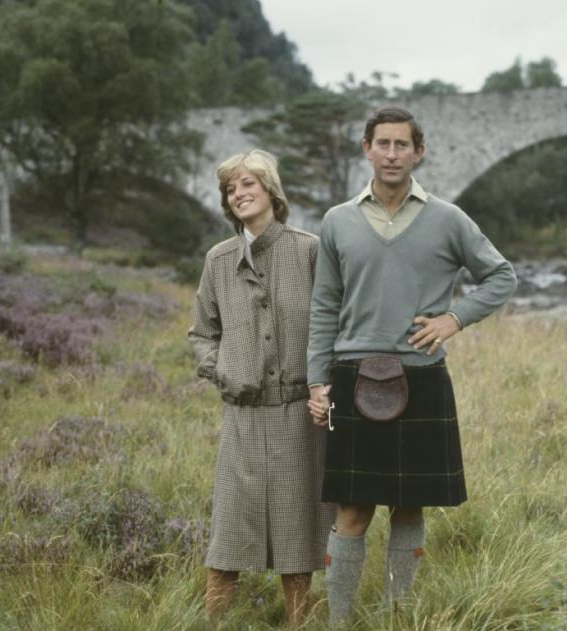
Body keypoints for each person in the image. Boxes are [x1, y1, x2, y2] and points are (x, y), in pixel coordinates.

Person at [307, 107, 518, 625]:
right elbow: (323, 306)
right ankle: (339, 622)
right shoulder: (337, 221)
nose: (393, 153)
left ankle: (398, 616)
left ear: (418, 152)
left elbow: (502, 276)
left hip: (421, 376)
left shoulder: (448, 218)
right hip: (351, 374)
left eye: (403, 145)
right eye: (383, 143)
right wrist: (316, 380)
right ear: (367, 149)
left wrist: (454, 318)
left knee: (409, 505)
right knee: (351, 509)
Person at [188, 150, 334, 626]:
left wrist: (324, 383)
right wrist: (220, 369)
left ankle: (299, 623)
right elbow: (201, 332)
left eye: (249, 184)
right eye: (232, 189)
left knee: (299, 537)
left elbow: (334, 321)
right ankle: (213, 624)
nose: (240, 193)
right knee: (228, 537)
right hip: (243, 416)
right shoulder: (218, 259)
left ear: (271, 190)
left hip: (300, 415)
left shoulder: (310, 249)